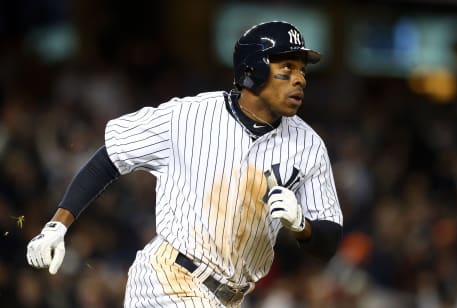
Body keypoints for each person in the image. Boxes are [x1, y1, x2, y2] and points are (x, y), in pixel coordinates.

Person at [26, 21, 343, 307]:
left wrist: (303, 227)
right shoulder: (188, 116)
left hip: (230, 297)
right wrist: (58, 224)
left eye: (303, 70)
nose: (300, 79)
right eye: (287, 67)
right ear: (254, 69)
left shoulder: (308, 146)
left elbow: (327, 242)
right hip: (168, 279)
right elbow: (110, 158)